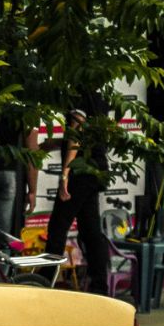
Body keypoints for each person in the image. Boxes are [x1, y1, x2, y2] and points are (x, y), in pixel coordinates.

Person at [41, 107, 111, 295]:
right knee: (90, 230)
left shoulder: (79, 96)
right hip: (95, 169)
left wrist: (65, 174)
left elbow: (77, 133)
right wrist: (57, 143)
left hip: (80, 171)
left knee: (58, 227)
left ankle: (46, 281)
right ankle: (99, 286)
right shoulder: (99, 99)